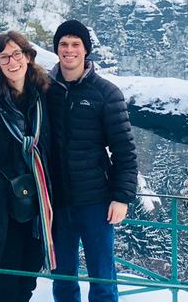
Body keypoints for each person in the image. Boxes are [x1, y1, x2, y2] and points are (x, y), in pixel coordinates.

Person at [0, 31, 56, 302]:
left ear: (28, 57)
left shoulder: (45, 99)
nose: (11, 61)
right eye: (3, 56)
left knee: (26, 284)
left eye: (17, 54)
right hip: (2, 211)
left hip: (39, 209)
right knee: (4, 288)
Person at [47, 19, 137, 302]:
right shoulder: (44, 90)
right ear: (57, 49)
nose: (69, 50)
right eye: (64, 44)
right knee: (62, 280)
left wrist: (121, 197)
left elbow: (124, 151)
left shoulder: (106, 93)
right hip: (56, 203)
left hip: (97, 203)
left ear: (86, 50)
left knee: (102, 280)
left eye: (76, 44)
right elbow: (9, 97)